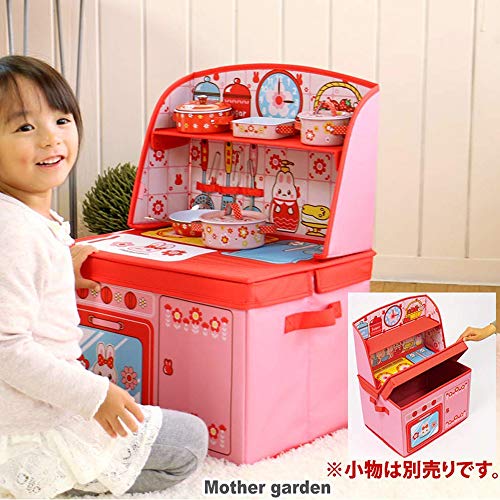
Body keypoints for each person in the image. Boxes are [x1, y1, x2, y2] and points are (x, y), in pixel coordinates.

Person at [0, 55, 208, 499]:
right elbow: (6, 348)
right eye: (25, 127)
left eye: (61, 120)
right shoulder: (13, 231)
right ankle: (43, 483)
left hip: (36, 405)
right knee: (189, 442)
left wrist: (61, 270)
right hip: (28, 420)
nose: (51, 138)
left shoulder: (24, 219)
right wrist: (95, 396)